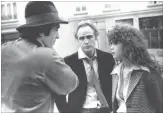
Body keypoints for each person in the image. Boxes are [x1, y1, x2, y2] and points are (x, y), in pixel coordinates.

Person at [1, 1, 79, 113]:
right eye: (56, 29)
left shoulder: (4, 50)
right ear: (42, 31)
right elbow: (71, 84)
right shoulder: (46, 56)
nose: (57, 36)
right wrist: (50, 49)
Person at [55, 20, 115, 113]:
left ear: (96, 37)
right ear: (77, 40)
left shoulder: (107, 58)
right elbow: (59, 92)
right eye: (82, 38)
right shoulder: (68, 62)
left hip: (105, 109)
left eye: (89, 37)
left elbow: (114, 85)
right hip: (80, 110)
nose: (86, 41)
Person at [108, 23, 163, 113]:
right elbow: (118, 105)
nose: (111, 47)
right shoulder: (116, 71)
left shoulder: (148, 73)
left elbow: (160, 106)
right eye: (110, 43)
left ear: (128, 44)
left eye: (116, 43)